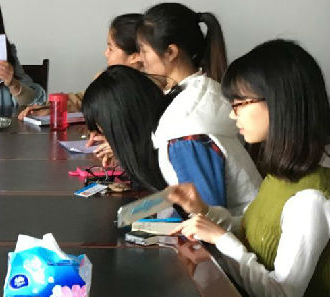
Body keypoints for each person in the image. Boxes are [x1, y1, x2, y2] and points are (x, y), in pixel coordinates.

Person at [169, 39, 329, 297]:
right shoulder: (284, 172)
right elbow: (256, 232)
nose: (232, 115)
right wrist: (205, 212)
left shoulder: (311, 197)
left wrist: (223, 240)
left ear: (281, 103)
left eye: (240, 104)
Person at [82, 65, 260, 214]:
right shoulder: (170, 120)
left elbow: (205, 219)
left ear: (123, 127)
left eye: (106, 131)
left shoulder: (183, 142)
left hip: (245, 238)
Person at [17, 13, 144, 157]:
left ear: (135, 56)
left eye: (111, 48)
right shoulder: (110, 79)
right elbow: (83, 99)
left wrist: (119, 145)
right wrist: (50, 108)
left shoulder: (149, 92)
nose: (105, 53)